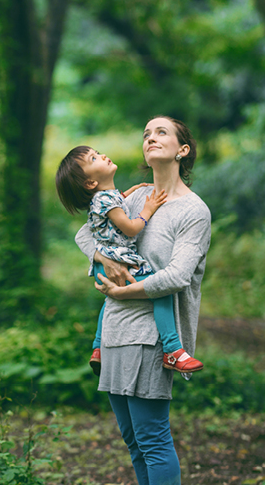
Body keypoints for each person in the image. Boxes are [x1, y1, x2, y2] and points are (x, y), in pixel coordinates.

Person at [75, 116, 211, 485]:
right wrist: (103, 258)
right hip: (113, 331)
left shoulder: (193, 211)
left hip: (154, 334)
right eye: (147, 133)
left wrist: (128, 289)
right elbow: (84, 234)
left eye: (162, 132)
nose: (151, 136)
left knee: (153, 436)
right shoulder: (130, 199)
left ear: (182, 150)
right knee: (133, 439)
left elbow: (178, 276)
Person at [55, 145, 203, 377]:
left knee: (108, 299)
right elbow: (132, 228)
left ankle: (97, 347)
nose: (102, 155)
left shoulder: (104, 198)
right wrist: (148, 208)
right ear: (90, 183)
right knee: (160, 290)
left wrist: (134, 191)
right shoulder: (105, 200)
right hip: (119, 258)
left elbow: (117, 201)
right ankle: (173, 349)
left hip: (106, 261)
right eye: (94, 158)